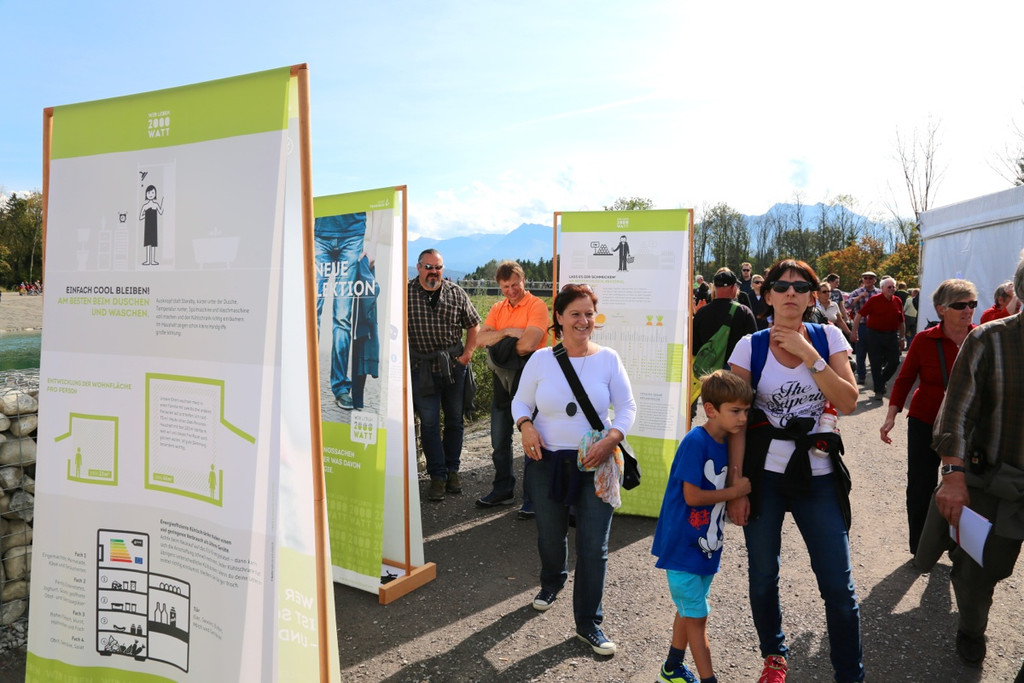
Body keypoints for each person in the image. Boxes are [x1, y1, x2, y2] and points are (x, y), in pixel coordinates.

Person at [726, 259, 862, 683]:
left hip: (817, 475)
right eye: (781, 286)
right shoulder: (749, 347)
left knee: (838, 585)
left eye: (801, 287)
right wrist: (737, 486)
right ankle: (774, 656)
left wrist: (810, 355)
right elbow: (736, 422)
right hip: (764, 477)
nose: (791, 293)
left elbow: (848, 401)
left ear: (812, 296)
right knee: (763, 575)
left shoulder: (828, 337)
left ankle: (850, 674)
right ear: (766, 295)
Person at [511, 284, 636, 656]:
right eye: (575, 314)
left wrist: (612, 438)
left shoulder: (608, 359)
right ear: (560, 318)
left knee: (594, 547)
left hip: (596, 463)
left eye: (589, 314)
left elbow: (627, 407)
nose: (584, 321)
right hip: (546, 462)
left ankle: (588, 623)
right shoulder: (541, 359)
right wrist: (525, 426)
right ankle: (552, 581)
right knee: (550, 535)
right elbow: (520, 401)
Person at [932, 253, 1024, 671]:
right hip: (992, 483)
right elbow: (956, 413)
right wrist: (953, 476)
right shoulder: (989, 339)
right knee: (976, 572)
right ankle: (971, 628)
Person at [652, 370, 752, 683]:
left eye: (746, 411)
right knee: (698, 617)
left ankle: (672, 668)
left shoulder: (726, 441)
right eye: (735, 411)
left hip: (705, 549)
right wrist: (735, 492)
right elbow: (692, 496)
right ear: (711, 410)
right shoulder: (696, 442)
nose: (742, 418)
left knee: (688, 609)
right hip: (682, 548)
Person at [879, 279, 976, 555]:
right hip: (926, 421)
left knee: (968, 485)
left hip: (968, 425)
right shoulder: (924, 339)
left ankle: (960, 547)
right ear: (941, 309)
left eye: (972, 303)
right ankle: (921, 547)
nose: (968, 310)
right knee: (921, 485)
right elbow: (904, 379)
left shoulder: (981, 338)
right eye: (960, 305)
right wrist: (891, 416)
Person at [475, 260, 549, 516]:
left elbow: (529, 344)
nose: (511, 290)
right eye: (505, 286)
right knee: (499, 439)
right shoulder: (498, 308)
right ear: (500, 286)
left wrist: (497, 345)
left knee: (533, 439)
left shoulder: (537, 306)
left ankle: (533, 498)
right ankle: (503, 489)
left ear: (523, 280)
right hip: (502, 382)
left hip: (532, 380)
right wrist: (508, 332)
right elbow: (479, 339)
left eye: (515, 284)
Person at [407, 249, 481, 502]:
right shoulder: (405, 294)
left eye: (438, 267)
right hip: (422, 368)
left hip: (453, 367)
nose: (433, 272)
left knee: (454, 421)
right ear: (418, 267)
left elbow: (473, 324)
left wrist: (467, 356)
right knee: (429, 423)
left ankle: (452, 471)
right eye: (428, 267)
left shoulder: (456, 293)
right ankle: (437, 475)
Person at [691, 269, 757, 418]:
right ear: (733, 288)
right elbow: (754, 346)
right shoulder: (743, 312)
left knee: (714, 415)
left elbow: (694, 347)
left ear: (715, 287)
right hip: (735, 377)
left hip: (709, 378)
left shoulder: (702, 312)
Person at [851, 276, 905, 400]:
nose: (892, 289)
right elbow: (859, 315)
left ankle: (881, 380)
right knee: (876, 363)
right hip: (874, 335)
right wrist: (854, 332)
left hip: (891, 335)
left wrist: (902, 338)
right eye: (889, 287)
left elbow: (902, 321)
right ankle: (879, 391)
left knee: (895, 361)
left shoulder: (898, 301)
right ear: (882, 288)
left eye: (893, 287)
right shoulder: (874, 300)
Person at [846, 272, 879, 385]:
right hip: (861, 326)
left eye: (871, 278)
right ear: (863, 280)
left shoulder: (879, 292)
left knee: (876, 353)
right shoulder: (857, 292)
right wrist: (859, 297)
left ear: (875, 280)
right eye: (866, 278)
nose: (868, 280)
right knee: (861, 353)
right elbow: (847, 305)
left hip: (876, 327)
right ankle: (861, 375)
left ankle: (877, 377)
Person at [139, 184, 163, 266]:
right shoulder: (145, 206)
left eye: (152, 192)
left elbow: (160, 212)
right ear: (146, 194)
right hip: (147, 227)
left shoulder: (156, 204)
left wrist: (163, 204)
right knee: (148, 243)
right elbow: (140, 217)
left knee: (153, 243)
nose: (151, 194)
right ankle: (147, 260)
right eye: (149, 193)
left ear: (155, 194)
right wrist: (147, 215)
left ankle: (152, 261)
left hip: (154, 226)